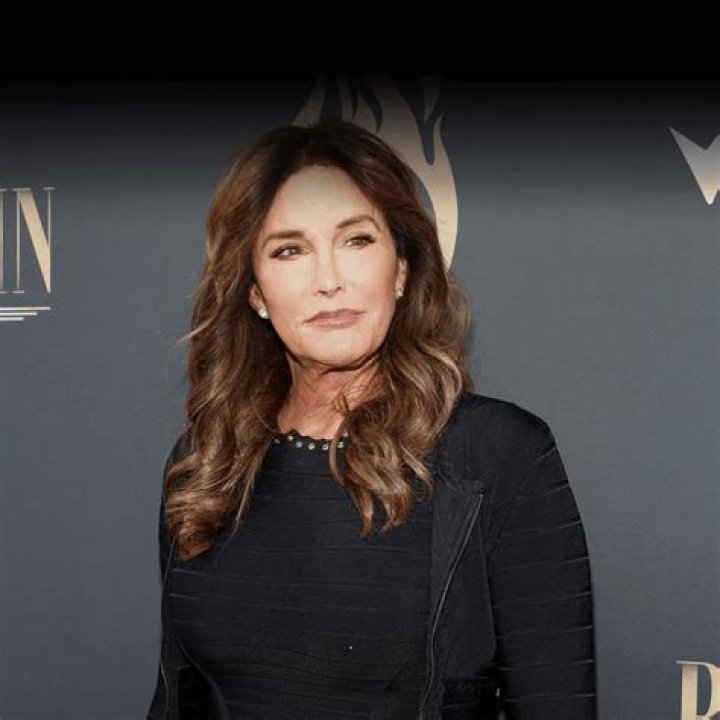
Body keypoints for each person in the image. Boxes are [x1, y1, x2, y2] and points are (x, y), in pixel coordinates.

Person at [146, 119, 597, 720]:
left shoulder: (497, 454)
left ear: (402, 269)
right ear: (255, 292)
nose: (328, 280)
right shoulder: (205, 464)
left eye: (356, 240)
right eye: (290, 250)